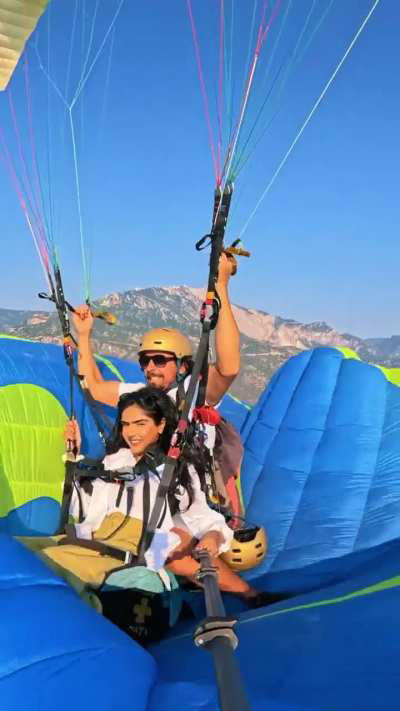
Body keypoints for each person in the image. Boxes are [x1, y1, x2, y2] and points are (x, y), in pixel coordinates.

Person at [18, 388, 269, 606]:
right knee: (16, 550)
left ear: (160, 426)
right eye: (126, 425)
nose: (131, 433)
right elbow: (83, 508)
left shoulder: (177, 468)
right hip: (89, 542)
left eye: (140, 424)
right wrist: (73, 457)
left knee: (43, 570)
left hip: (124, 554)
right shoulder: (116, 460)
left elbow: (203, 517)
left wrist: (214, 537)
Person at [72, 253, 240, 411]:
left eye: (159, 360)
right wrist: (83, 334)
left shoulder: (196, 393)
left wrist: (221, 285)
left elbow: (228, 369)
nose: (150, 367)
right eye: (145, 361)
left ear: (182, 366)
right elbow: (93, 389)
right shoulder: (139, 395)